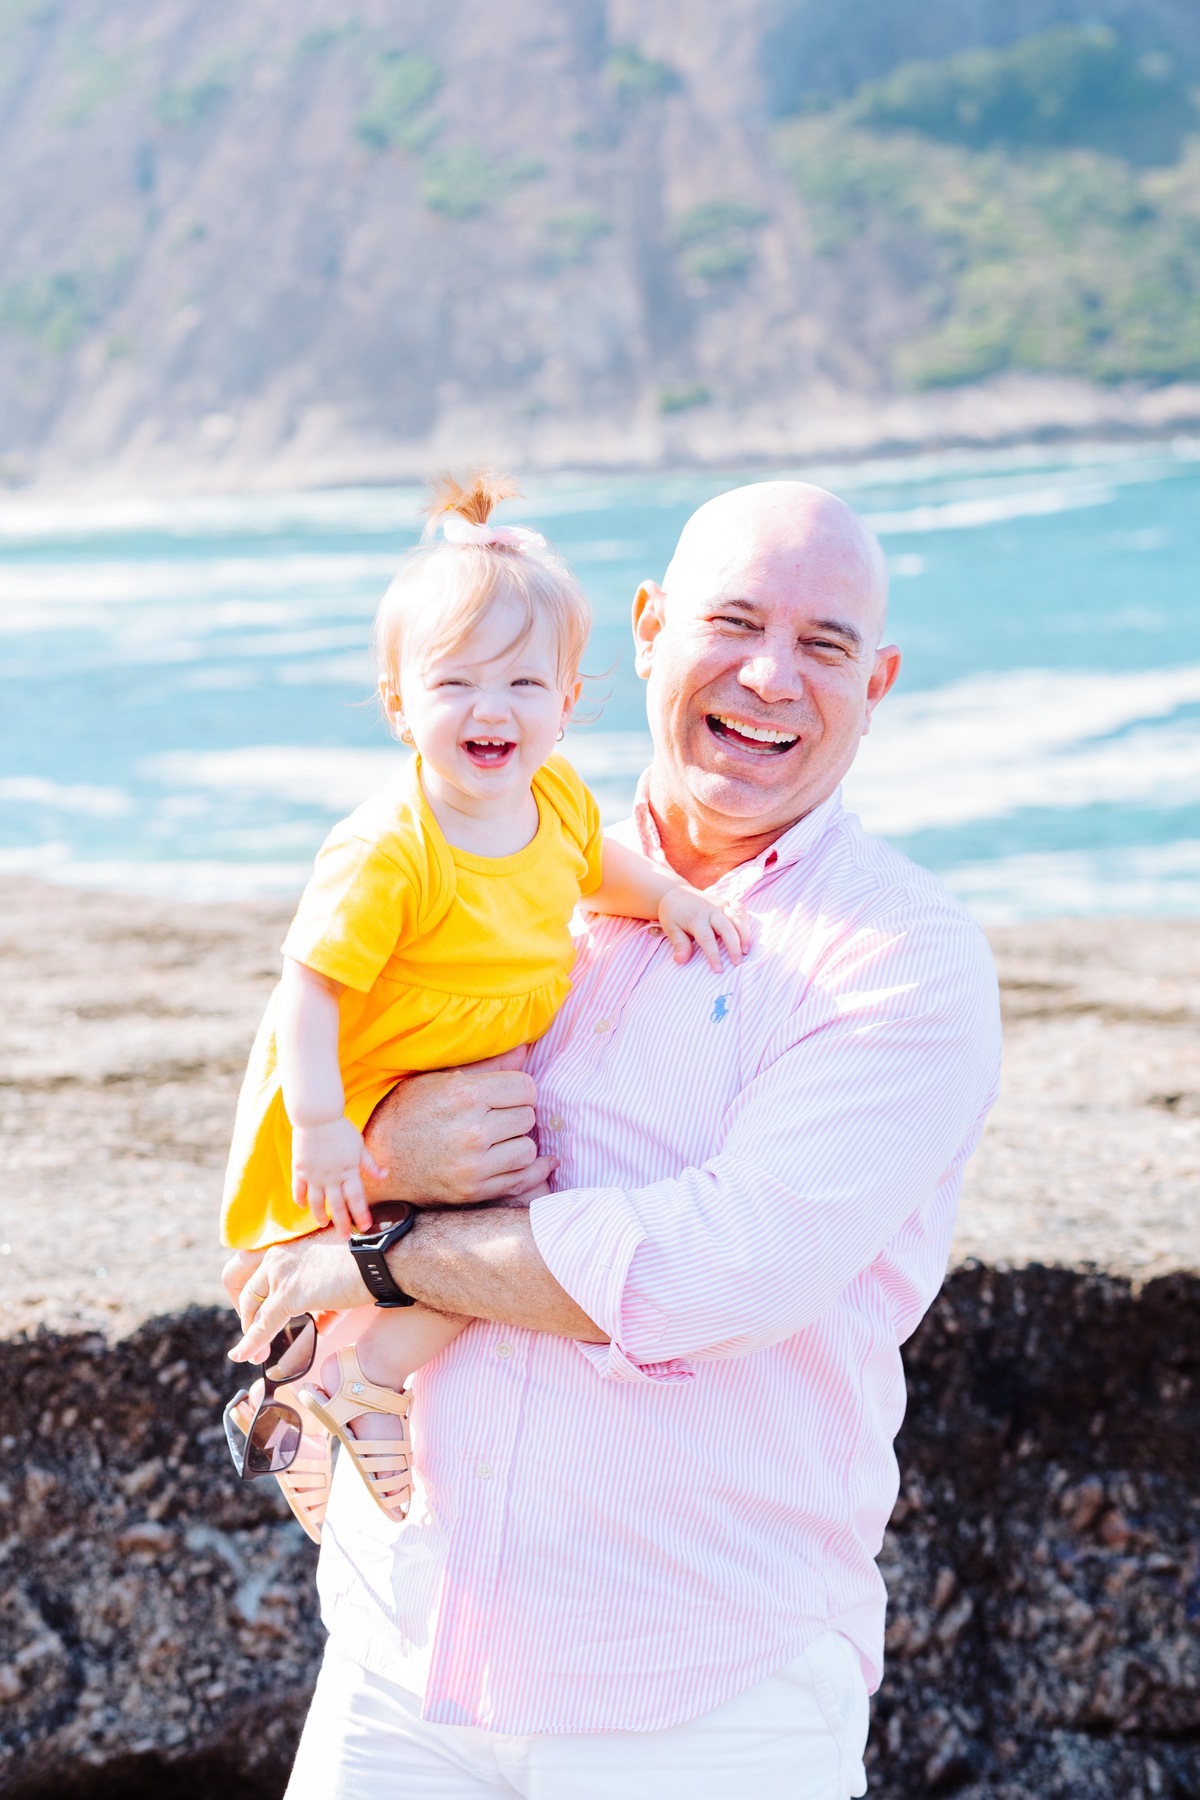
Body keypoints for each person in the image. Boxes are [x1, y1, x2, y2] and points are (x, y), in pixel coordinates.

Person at [226, 478, 1002, 1800]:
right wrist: (390, 1150)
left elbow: (715, 1276)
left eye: (822, 646)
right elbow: (275, 1170)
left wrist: (377, 1262)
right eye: (733, 622)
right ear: (645, 630)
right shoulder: (467, 851)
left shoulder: (896, 963)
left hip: (701, 1697)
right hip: (400, 1659)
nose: (768, 676)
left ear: (877, 680)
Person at [221, 470, 747, 1539]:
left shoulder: (550, 798)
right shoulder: (391, 846)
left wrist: (670, 896)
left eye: (521, 683)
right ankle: (322, 1371)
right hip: (376, 1079)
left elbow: (591, 865)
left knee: (487, 1248)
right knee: (470, 1229)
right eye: (454, 683)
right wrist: (326, 1126)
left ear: (567, 701)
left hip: (463, 1071)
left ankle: (349, 1385)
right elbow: (310, 987)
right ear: (400, 704)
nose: (490, 709)